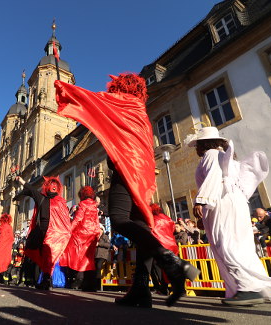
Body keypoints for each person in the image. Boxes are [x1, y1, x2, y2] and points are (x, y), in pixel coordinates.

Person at [55, 73, 199, 307]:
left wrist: (62, 88)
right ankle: (141, 290)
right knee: (140, 227)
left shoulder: (120, 102)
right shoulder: (139, 110)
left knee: (120, 219)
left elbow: (92, 100)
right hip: (143, 171)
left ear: (119, 88)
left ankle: (173, 263)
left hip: (127, 168)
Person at [189, 126, 271, 306]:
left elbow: (215, 178)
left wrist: (200, 201)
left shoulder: (211, 155)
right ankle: (252, 287)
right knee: (239, 244)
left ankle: (247, 288)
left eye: (197, 145)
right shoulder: (224, 156)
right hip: (233, 201)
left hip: (222, 201)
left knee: (226, 243)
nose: (196, 149)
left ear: (204, 144)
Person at [14, 175, 71, 290]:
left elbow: (65, 219)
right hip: (42, 231)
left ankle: (46, 280)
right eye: (51, 184)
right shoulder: (42, 198)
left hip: (54, 233)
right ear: (47, 187)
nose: (53, 186)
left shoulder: (61, 202)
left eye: (55, 185)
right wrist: (21, 181)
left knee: (48, 256)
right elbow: (32, 190)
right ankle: (44, 279)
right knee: (42, 255)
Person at [59, 186, 101, 291]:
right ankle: (91, 284)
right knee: (90, 259)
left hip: (82, 234)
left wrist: (69, 230)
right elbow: (96, 221)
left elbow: (78, 219)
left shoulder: (83, 204)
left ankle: (84, 282)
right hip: (93, 234)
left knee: (81, 258)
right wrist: (97, 234)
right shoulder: (95, 206)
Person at [94, 225, 111, 291]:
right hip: (96, 255)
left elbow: (108, 245)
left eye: (100, 229)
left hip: (102, 255)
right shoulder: (95, 237)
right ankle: (95, 284)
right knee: (95, 269)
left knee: (98, 267)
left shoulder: (105, 237)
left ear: (102, 230)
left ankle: (98, 284)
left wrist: (99, 244)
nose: (99, 230)